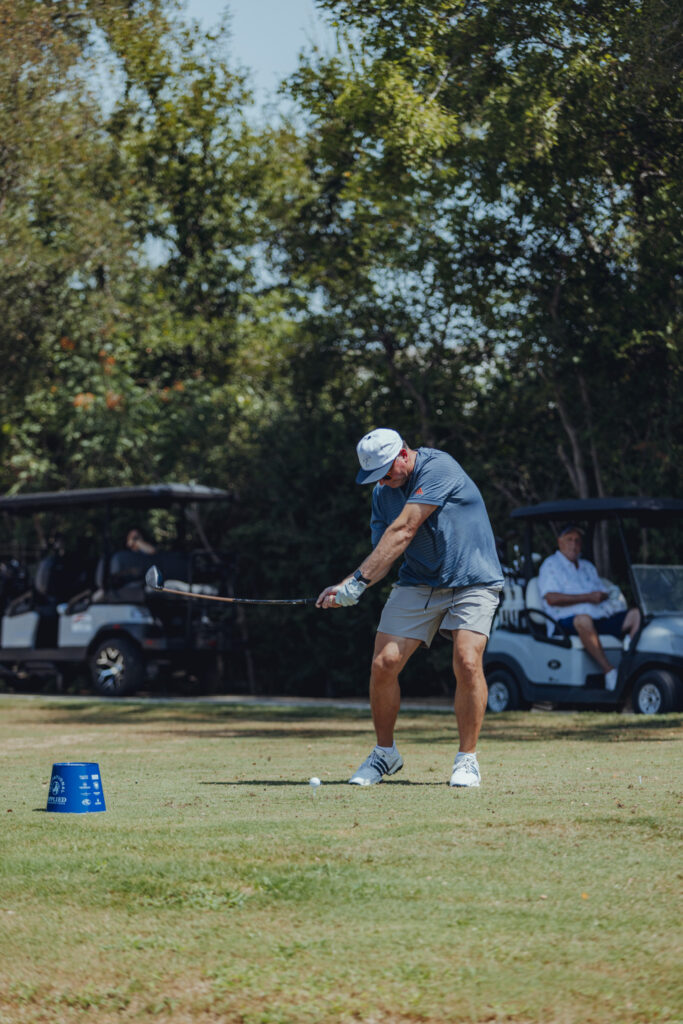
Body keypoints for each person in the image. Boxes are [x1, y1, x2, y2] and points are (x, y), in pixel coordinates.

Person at [316, 428, 504, 788]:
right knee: (383, 664)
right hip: (419, 582)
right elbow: (384, 553)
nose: (382, 482)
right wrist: (347, 585)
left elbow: (404, 529)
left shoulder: (439, 467)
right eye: (375, 477)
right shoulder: (382, 494)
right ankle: (385, 753)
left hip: (473, 580)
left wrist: (357, 581)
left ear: (403, 454)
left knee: (467, 660)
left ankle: (467, 759)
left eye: (386, 472)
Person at [538, 524, 641, 691]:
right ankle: (609, 672)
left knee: (636, 615)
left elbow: (602, 591)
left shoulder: (587, 566)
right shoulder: (550, 565)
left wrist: (603, 596)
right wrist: (588, 597)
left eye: (577, 541)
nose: (574, 545)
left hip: (597, 616)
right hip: (565, 622)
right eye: (569, 540)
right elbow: (551, 598)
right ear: (559, 542)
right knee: (583, 620)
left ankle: (628, 663)